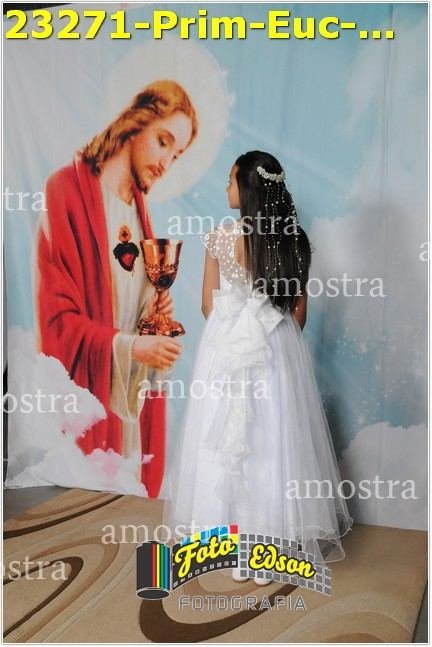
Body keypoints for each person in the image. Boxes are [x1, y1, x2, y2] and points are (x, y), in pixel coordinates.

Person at [164, 150, 353, 583]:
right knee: (273, 441)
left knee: (225, 441)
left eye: (230, 180)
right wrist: (271, 333)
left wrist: (235, 330)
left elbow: (208, 305)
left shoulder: (219, 238)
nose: (225, 188)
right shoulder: (295, 241)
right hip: (274, 352)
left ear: (248, 190)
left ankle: (226, 542)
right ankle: (267, 549)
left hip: (227, 351)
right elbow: (298, 316)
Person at [36, 80, 198, 497]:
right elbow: (58, 321)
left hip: (126, 410)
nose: (167, 162)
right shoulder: (66, 191)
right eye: (164, 142)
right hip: (91, 408)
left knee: (124, 507)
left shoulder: (142, 216)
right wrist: (130, 347)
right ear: (136, 123)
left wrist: (153, 318)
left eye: (177, 155)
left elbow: (128, 309)